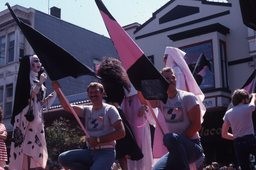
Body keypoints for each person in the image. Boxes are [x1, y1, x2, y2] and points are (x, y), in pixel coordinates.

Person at [58, 82, 126, 170]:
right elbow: (67, 107)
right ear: (88, 95)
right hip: (90, 151)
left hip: (106, 151)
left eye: (96, 92)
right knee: (63, 158)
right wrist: (58, 91)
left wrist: (98, 140)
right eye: (91, 93)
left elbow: (121, 132)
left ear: (102, 93)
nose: (93, 95)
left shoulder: (110, 109)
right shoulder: (86, 110)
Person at [9, 55, 56, 170]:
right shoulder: (27, 79)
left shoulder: (40, 80)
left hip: (38, 120)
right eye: (35, 61)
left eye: (39, 60)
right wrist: (40, 83)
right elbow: (29, 96)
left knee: (36, 147)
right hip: (26, 118)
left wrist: (54, 93)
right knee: (25, 147)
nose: (39, 63)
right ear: (29, 64)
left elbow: (41, 103)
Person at [152, 67, 205, 170]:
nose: (171, 80)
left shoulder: (188, 97)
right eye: (167, 79)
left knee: (169, 137)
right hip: (175, 147)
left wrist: (178, 140)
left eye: (173, 77)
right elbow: (148, 100)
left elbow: (197, 126)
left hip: (193, 146)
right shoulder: (161, 100)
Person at [96, 57, 145, 170]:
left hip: (107, 112)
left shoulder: (102, 83)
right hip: (118, 112)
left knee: (110, 147)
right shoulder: (121, 83)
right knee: (123, 149)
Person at [221, 89, 256, 170]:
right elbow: (252, 105)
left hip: (238, 142)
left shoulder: (228, 113)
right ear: (244, 99)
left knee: (244, 166)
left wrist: (236, 136)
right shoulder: (247, 107)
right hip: (250, 139)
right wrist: (253, 96)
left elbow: (224, 134)